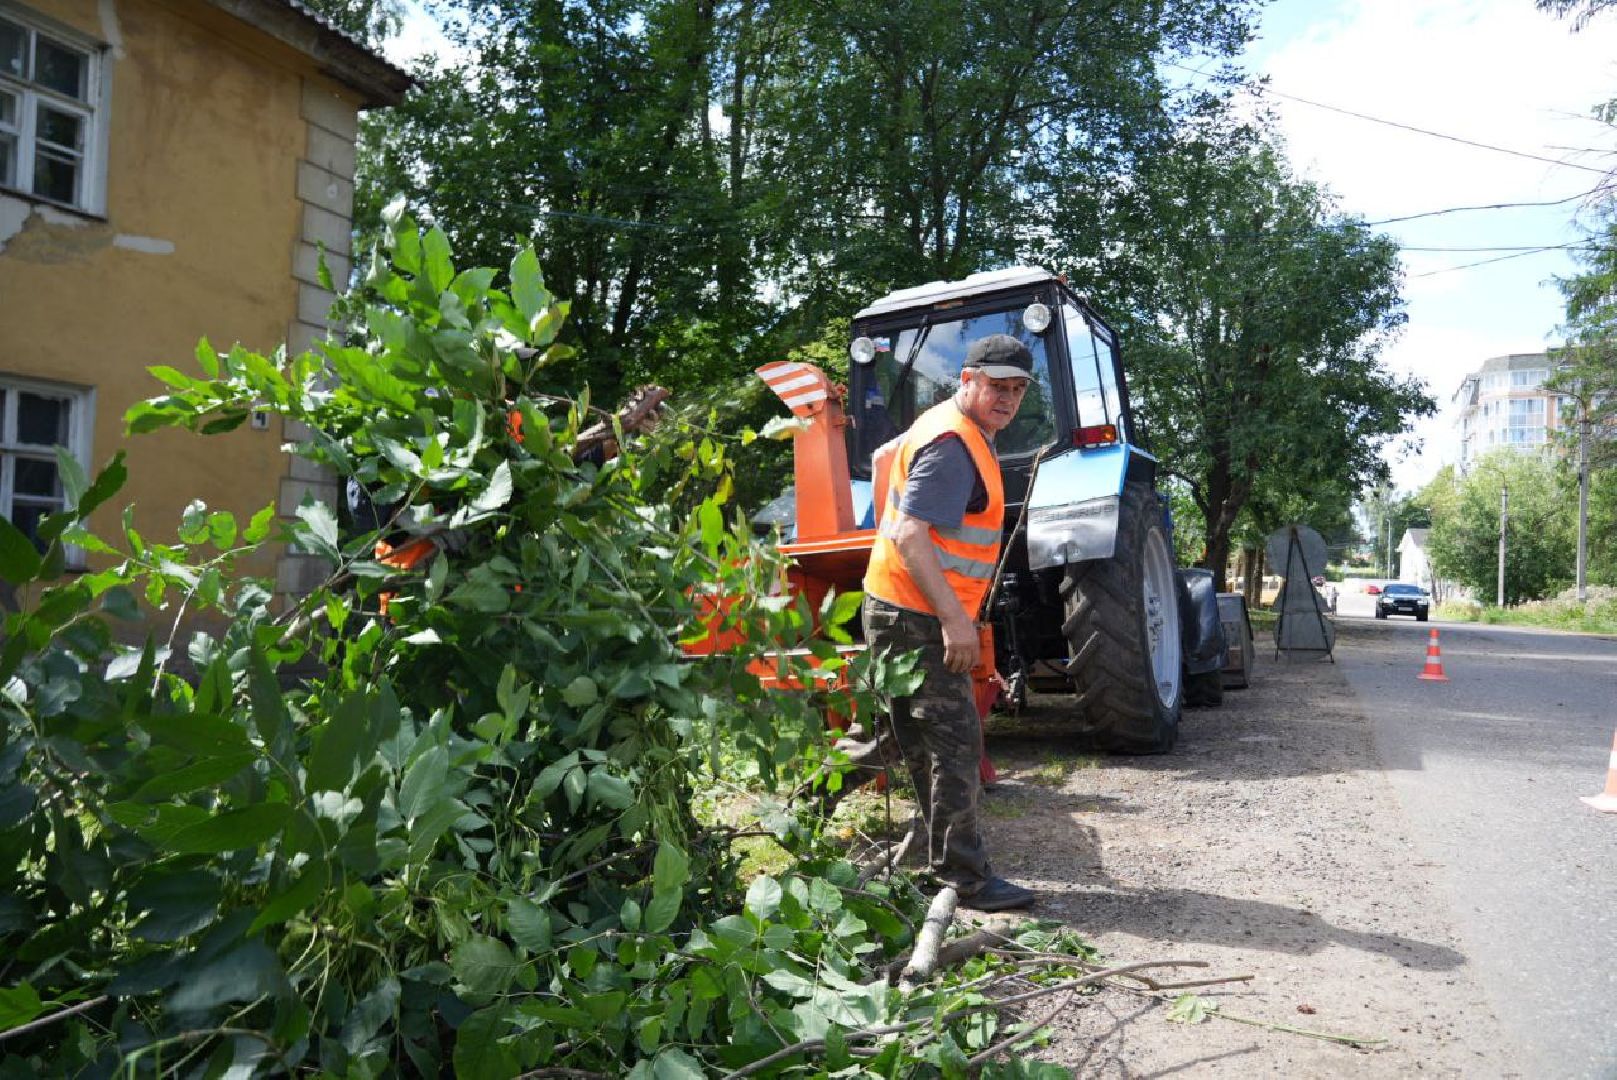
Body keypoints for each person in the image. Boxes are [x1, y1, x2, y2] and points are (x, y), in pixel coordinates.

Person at [861, 333, 1037, 913]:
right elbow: (910, 533)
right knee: (956, 746)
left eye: (1016, 390)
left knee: (911, 741)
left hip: (893, 604)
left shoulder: (943, 425)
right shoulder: (954, 446)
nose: (1007, 400)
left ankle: (940, 864)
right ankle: (965, 877)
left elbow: (885, 459)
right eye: (996, 387)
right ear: (968, 380)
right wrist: (955, 622)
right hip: (917, 615)